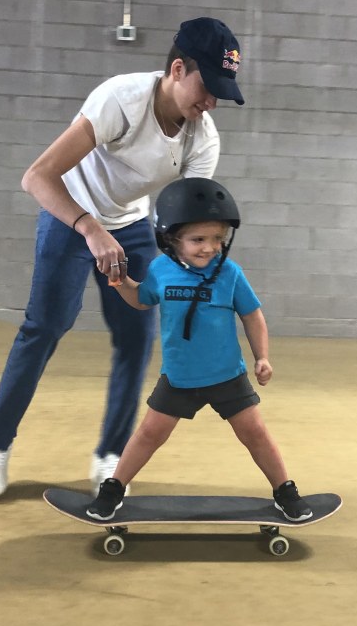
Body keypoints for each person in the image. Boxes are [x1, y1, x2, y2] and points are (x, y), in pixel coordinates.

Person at [0, 17, 245, 498]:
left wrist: (193, 285)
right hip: (69, 212)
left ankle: (110, 454)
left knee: (137, 335)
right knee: (45, 328)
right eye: (207, 87)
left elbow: (185, 226)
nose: (211, 103)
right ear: (177, 69)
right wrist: (88, 227)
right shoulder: (120, 99)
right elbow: (37, 177)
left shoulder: (203, 139)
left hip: (132, 225)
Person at [86, 177, 312, 523]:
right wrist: (119, 282)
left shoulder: (230, 274)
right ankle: (114, 488)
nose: (209, 248)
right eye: (198, 240)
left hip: (227, 376)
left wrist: (262, 356)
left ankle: (285, 490)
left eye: (217, 239)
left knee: (255, 433)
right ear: (172, 239)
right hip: (179, 378)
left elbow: (253, 315)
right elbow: (141, 300)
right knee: (148, 434)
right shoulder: (161, 270)